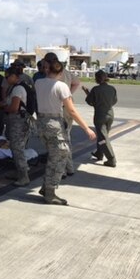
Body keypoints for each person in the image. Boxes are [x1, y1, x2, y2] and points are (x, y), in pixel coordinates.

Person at [35, 58, 96, 205]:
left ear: (47, 69)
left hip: (42, 122)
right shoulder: (61, 86)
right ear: (61, 72)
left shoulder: (38, 83)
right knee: (61, 156)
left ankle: (46, 187)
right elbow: (72, 110)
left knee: (54, 155)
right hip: (54, 123)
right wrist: (86, 128)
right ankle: (49, 191)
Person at [43, 52, 81, 177]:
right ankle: (69, 167)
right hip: (67, 105)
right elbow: (77, 82)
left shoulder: (51, 74)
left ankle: (63, 169)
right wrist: (69, 94)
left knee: (59, 142)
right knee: (66, 137)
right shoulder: (65, 71)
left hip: (60, 109)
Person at [83, 70, 118, 167]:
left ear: (97, 79)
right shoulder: (112, 88)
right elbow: (114, 101)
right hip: (110, 115)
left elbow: (90, 101)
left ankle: (111, 159)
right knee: (102, 136)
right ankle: (99, 153)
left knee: (103, 138)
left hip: (100, 116)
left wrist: (87, 93)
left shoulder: (95, 89)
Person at [3, 67, 31, 186]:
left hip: (18, 121)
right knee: (15, 147)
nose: (6, 78)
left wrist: (4, 109)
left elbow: (14, 108)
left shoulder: (18, 89)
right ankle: (18, 172)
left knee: (17, 148)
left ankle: (24, 176)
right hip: (16, 121)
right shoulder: (14, 88)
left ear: (15, 77)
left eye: (8, 76)